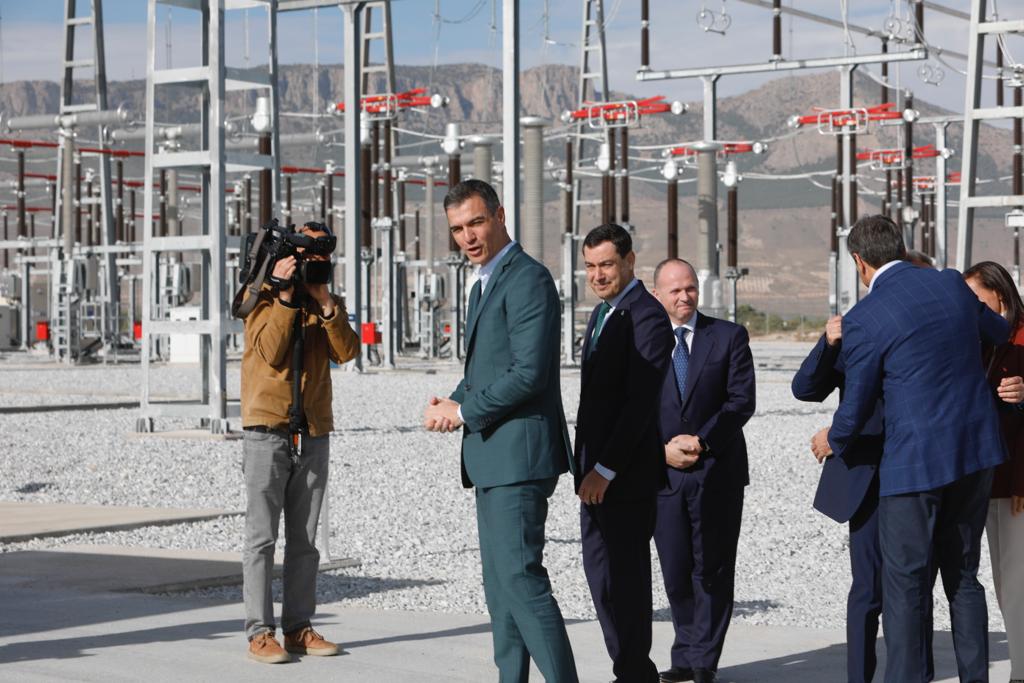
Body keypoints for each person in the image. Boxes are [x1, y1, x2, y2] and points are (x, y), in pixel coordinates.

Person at [813, 215, 1009, 683]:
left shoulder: (866, 317)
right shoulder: (948, 283)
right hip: (974, 452)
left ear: (859, 262)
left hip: (913, 465)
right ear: (900, 247)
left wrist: (832, 440)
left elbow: (857, 403)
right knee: (963, 577)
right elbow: (999, 334)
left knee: (905, 587)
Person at [422, 179, 578, 683]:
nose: (467, 236)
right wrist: (453, 400)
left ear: (500, 216)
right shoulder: (485, 281)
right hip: (492, 457)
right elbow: (485, 372)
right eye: (457, 229)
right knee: (500, 588)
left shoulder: (527, 278)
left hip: (519, 457)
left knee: (522, 581)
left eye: (476, 222)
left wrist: (465, 412)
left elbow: (529, 373)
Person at [794, 253, 941, 683]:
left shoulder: (935, 335)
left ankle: (916, 672)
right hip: (868, 474)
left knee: (917, 582)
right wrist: (829, 341)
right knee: (867, 587)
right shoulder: (863, 325)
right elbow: (805, 388)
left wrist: (835, 434)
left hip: (917, 470)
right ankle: (859, 675)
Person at [239, 223, 361, 663]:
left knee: (305, 540)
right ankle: (259, 631)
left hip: (312, 429)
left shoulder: (321, 303)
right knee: (261, 538)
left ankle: (298, 627)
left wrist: (326, 302)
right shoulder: (260, 299)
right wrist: (285, 296)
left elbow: (347, 352)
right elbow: (271, 351)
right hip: (267, 429)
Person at [575, 224, 673, 683]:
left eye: (607, 264)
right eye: (590, 266)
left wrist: (605, 469)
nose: (597, 274)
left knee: (627, 583)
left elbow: (639, 403)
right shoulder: (603, 314)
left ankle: (636, 673)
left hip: (623, 479)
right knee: (602, 580)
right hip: (593, 478)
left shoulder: (646, 316)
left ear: (631, 262)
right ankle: (627, 668)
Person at [650, 259, 755, 683]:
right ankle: (686, 652)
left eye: (690, 288)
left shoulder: (728, 336)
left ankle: (704, 660)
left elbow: (740, 401)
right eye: (674, 290)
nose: (684, 296)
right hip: (663, 475)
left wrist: (702, 441)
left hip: (717, 472)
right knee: (675, 568)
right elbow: (634, 409)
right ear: (657, 294)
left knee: (711, 568)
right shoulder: (644, 344)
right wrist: (661, 451)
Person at [963, 261, 1024, 683]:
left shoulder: (1021, 337)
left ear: (999, 295)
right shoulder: (977, 340)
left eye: (977, 299)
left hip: (1016, 481)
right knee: (1004, 582)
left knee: (1017, 581)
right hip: (984, 479)